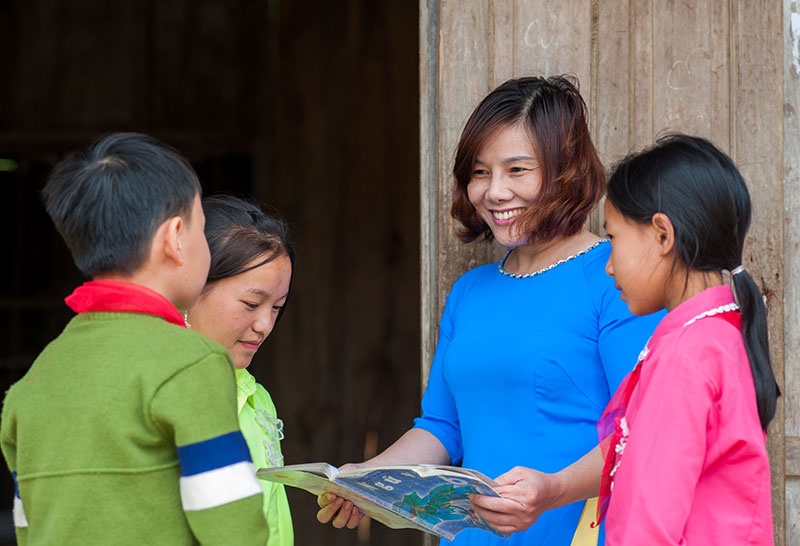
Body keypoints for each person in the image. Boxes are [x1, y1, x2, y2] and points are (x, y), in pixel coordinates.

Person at [317, 75, 663, 545]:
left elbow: (645, 429)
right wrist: (365, 477)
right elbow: (443, 428)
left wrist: (553, 490)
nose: (495, 192)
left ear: (567, 170)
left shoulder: (616, 277)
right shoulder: (469, 291)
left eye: (517, 170)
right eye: (480, 172)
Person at [470, 134, 779, 545]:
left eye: (613, 239)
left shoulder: (683, 358)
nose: (609, 266)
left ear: (662, 236)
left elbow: (647, 524)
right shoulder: (717, 338)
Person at [0, 133, 269, 545]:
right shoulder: (191, 361)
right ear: (176, 237)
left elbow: (27, 527)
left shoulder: (32, 385)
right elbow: (231, 527)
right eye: (200, 227)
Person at [186, 195, 295, 546]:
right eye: (251, 304)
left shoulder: (255, 395)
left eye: (277, 307)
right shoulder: (162, 392)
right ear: (192, 285)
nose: (265, 324)